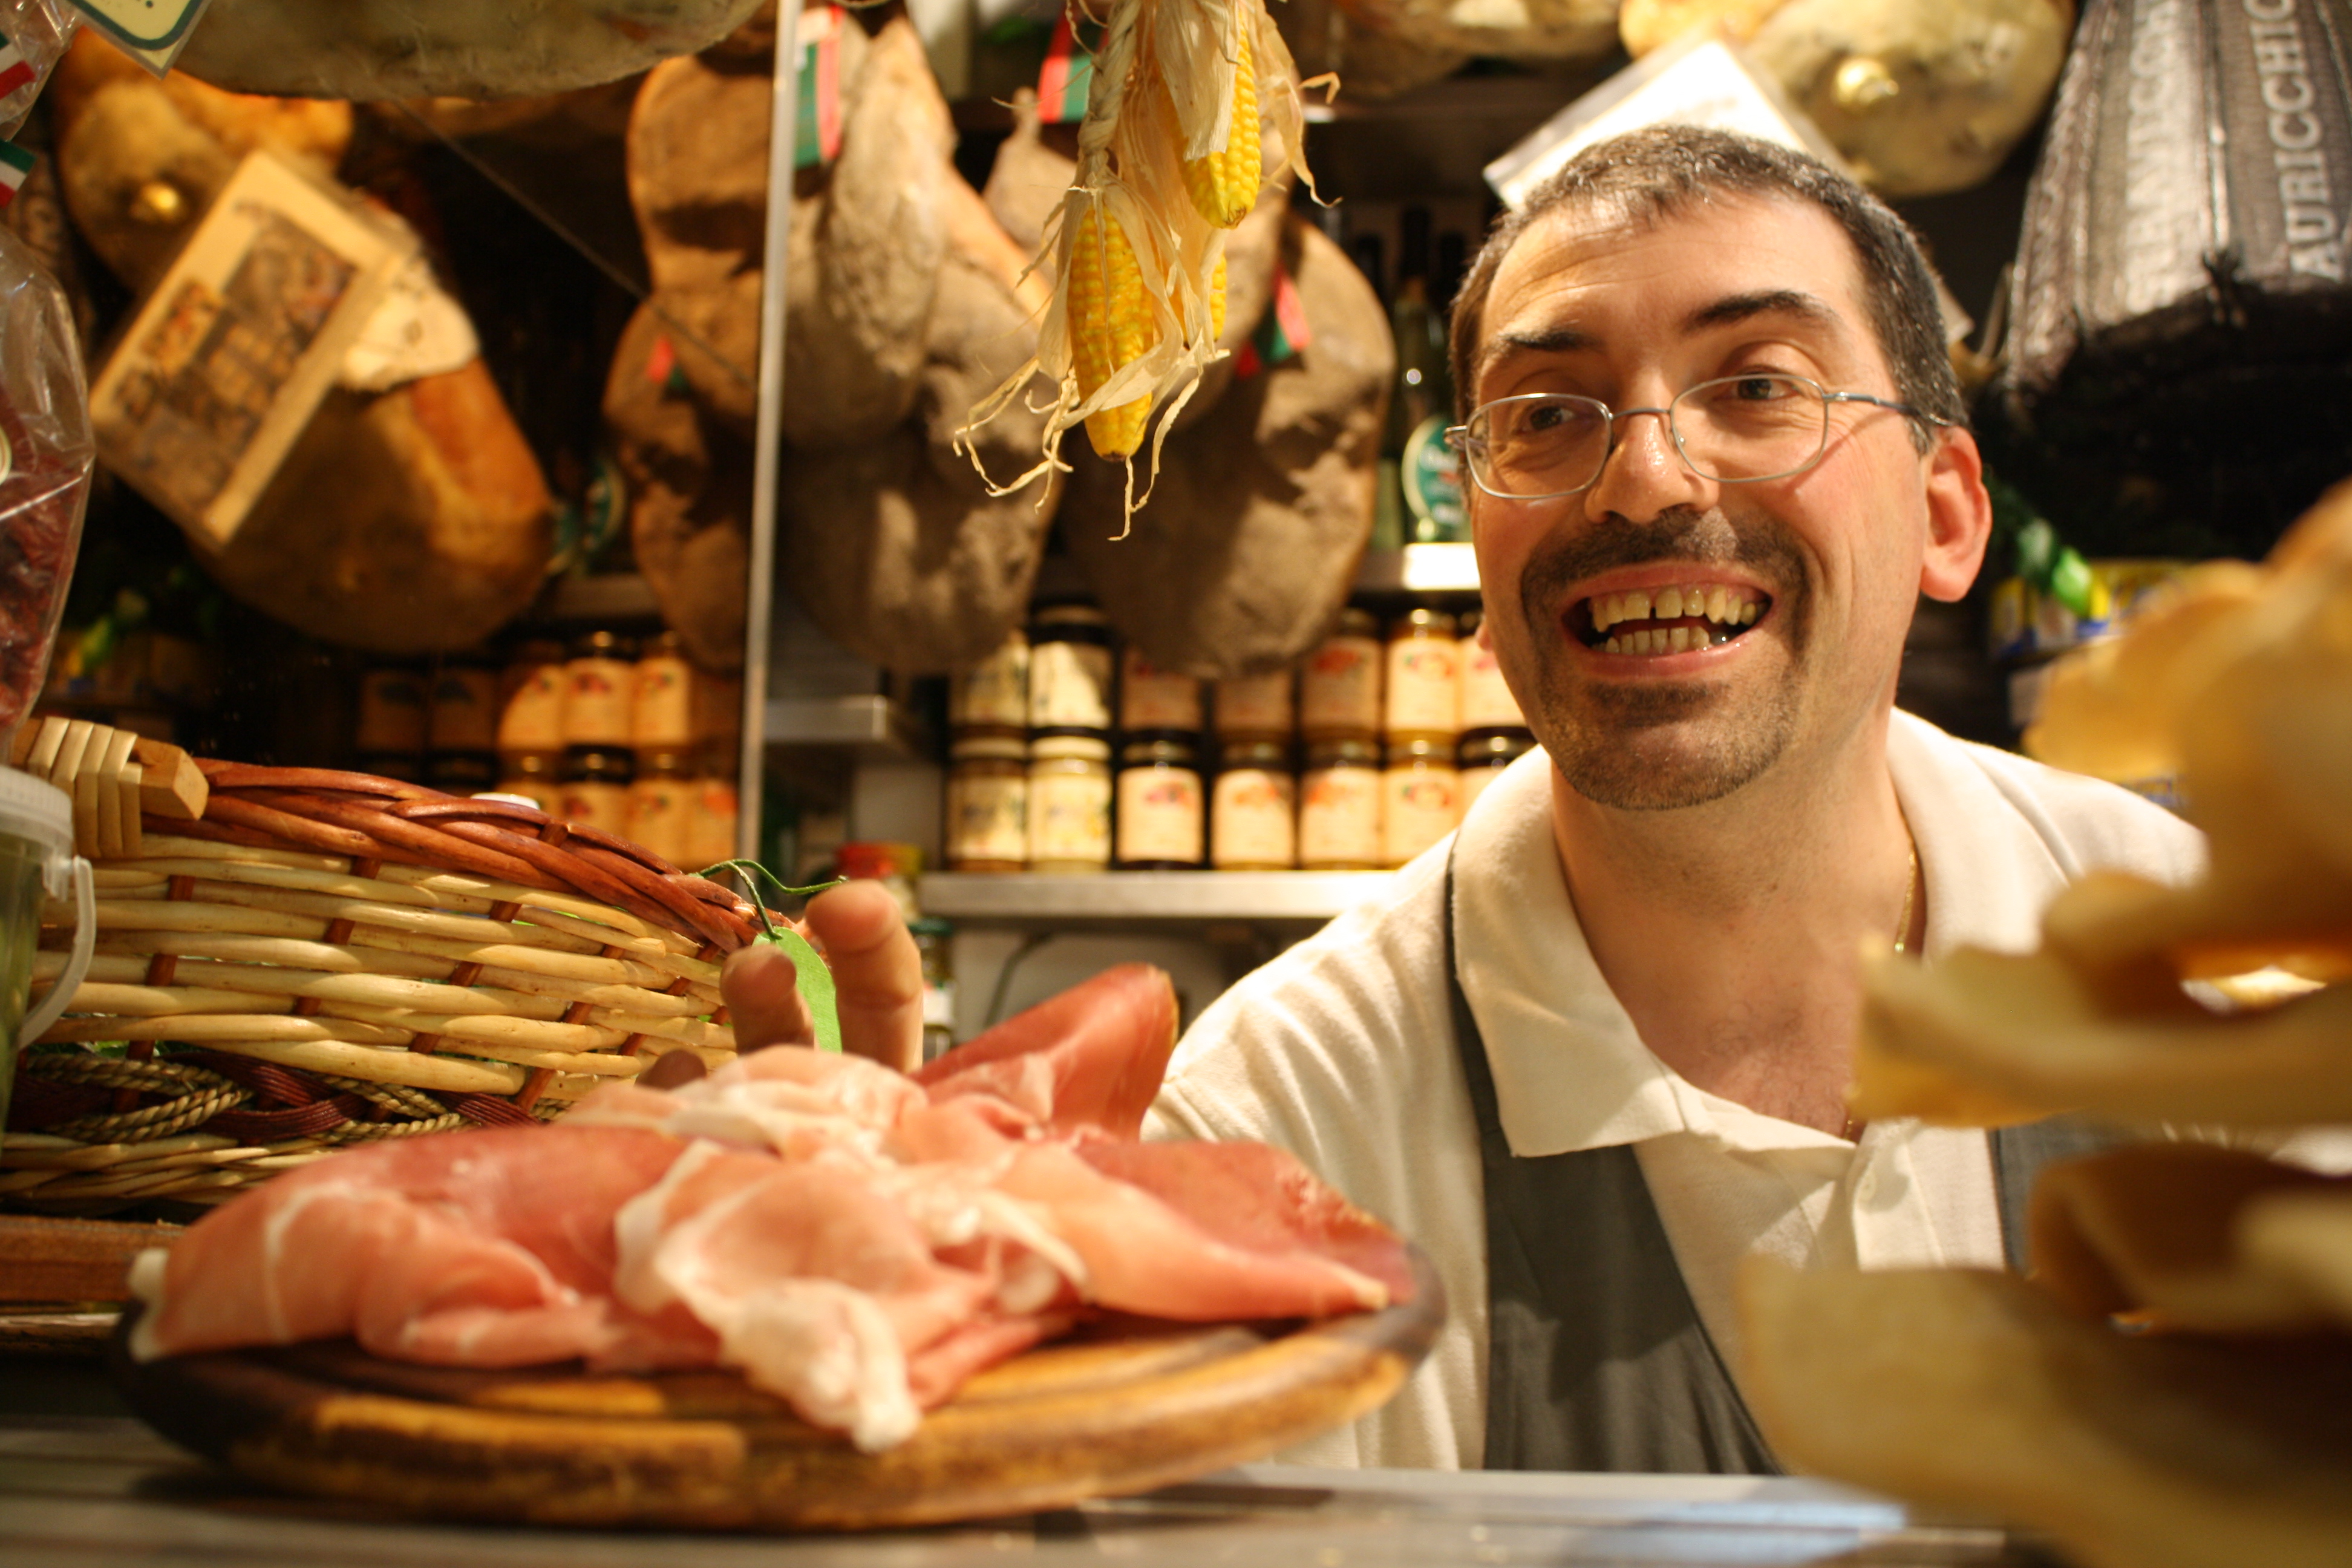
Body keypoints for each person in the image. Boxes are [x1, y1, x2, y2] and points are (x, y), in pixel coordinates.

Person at [711, 126, 2206, 1474]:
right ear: (1484, 578)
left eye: (1757, 386)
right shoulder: (1283, 1119)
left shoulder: (2216, 964)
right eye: (1547, 414)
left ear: (1946, 514)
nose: (1643, 478)